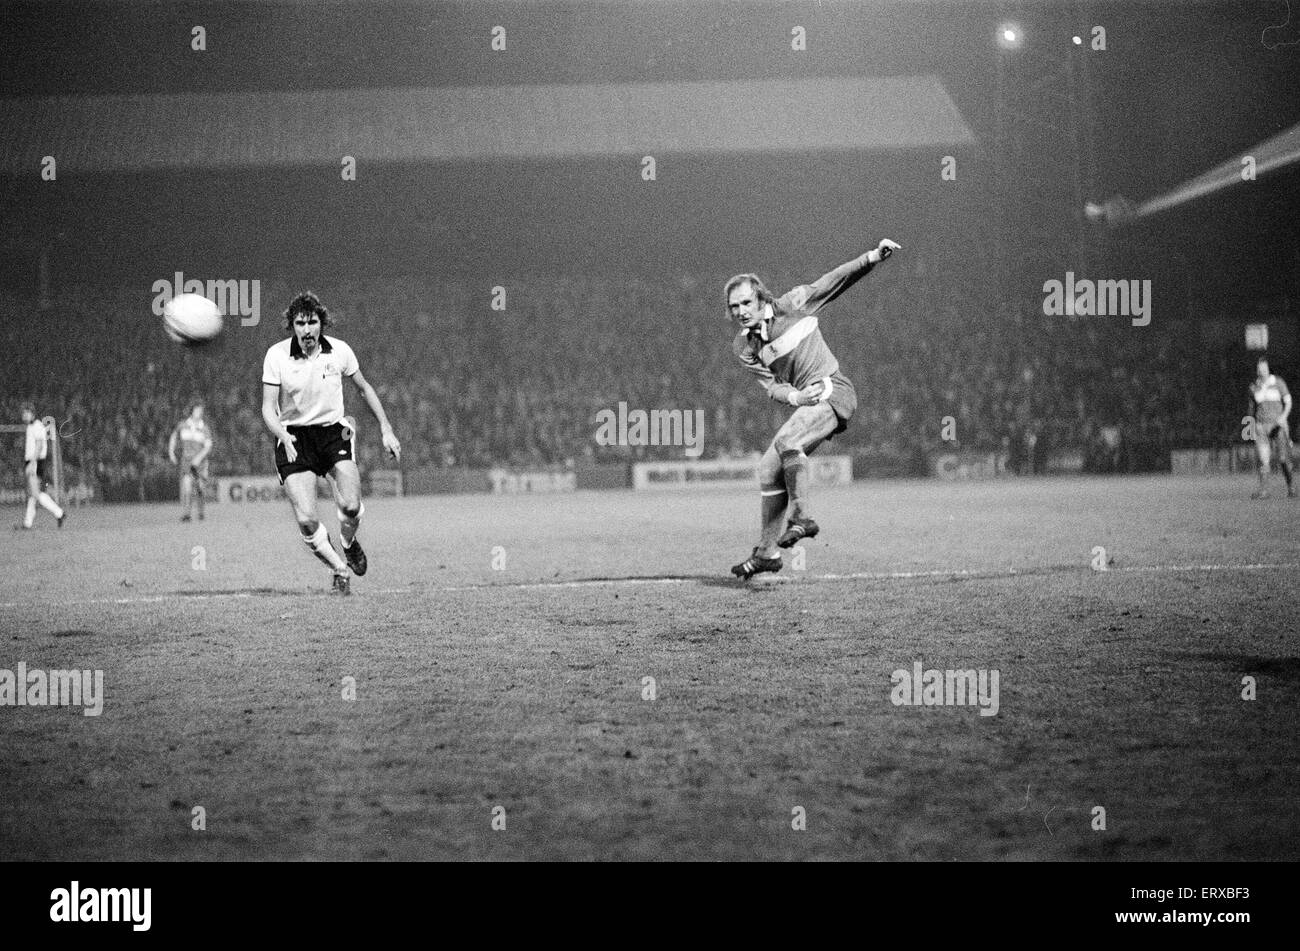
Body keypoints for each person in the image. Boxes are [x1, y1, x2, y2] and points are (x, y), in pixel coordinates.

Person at [726, 239, 901, 579]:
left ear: (762, 299)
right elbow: (772, 387)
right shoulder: (743, 347)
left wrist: (872, 257)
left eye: (746, 302)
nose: (740, 311)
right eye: (734, 307)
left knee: (787, 441)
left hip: (834, 390)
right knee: (767, 468)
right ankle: (766, 552)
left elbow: (833, 280)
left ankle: (803, 516)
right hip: (808, 401)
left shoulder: (793, 304)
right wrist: (795, 398)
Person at [261, 292, 402, 594]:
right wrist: (282, 434)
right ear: (292, 325)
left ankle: (348, 544)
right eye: (300, 323)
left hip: (332, 434)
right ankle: (339, 568)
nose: (307, 329)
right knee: (307, 519)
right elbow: (266, 407)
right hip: (294, 437)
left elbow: (364, 388)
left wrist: (386, 429)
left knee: (351, 506)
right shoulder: (276, 356)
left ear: (321, 324)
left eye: (312, 322)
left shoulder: (339, 351)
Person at [1248, 357, 1295, 499]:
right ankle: (1263, 490)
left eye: (1263, 368)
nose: (1261, 371)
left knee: (1282, 459)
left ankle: (1291, 486)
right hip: (1261, 426)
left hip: (1278, 425)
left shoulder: (1278, 382)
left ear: (1268, 369)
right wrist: (1249, 431)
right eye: (1259, 369)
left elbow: (1288, 401)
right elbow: (1251, 410)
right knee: (1264, 460)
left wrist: (1283, 417)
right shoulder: (1253, 387)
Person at [20, 404, 65, 530]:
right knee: (33, 494)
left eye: (26, 413)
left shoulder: (37, 425)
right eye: (23, 413)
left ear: (32, 413)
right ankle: (27, 523)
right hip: (33, 461)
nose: (24, 415)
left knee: (36, 493)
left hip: (36, 462)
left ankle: (59, 513)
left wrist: (32, 463)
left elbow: (39, 445)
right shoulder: (31, 426)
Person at [168, 402, 213, 521]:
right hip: (187, 462)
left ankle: (201, 512)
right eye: (197, 410)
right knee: (187, 488)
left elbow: (208, 446)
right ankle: (187, 514)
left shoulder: (204, 428)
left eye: (201, 411)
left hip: (200, 464)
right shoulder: (183, 425)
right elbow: (173, 436)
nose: (200, 413)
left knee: (200, 489)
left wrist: (198, 458)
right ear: (192, 411)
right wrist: (171, 452)